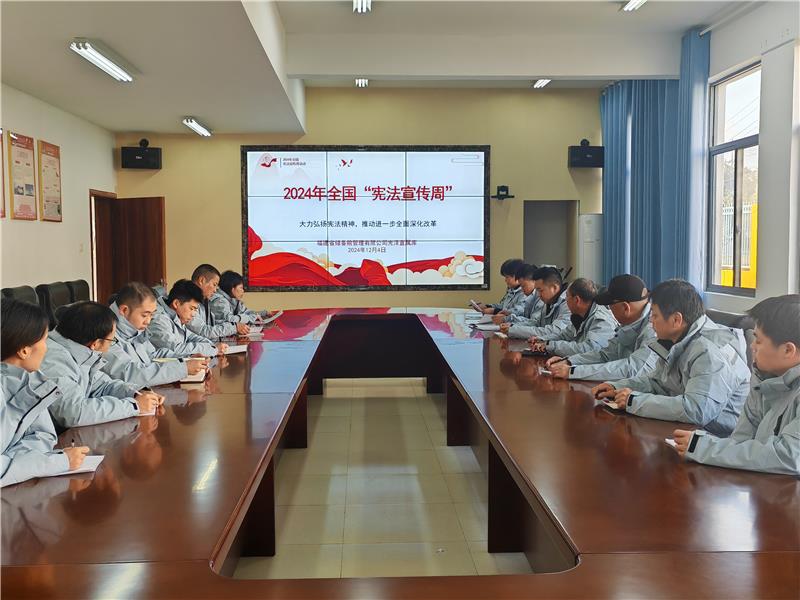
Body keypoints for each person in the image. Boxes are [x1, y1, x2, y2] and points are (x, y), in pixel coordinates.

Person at [594, 279, 750, 437]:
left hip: (720, 439)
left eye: (655, 315)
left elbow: (695, 410)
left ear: (676, 320)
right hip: (691, 432)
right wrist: (617, 387)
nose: (651, 321)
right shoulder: (677, 340)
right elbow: (657, 382)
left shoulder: (710, 352)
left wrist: (633, 400)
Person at [672, 295, 800, 475]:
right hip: (760, 485)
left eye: (758, 341)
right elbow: (739, 440)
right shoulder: (763, 380)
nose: (752, 346)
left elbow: (789, 456)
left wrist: (704, 447)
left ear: (788, 350)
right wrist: (706, 447)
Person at [1, 299, 89, 487]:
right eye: (44, 340)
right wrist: (56, 462)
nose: (47, 347)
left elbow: (43, 435)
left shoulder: (31, 380)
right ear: (24, 351)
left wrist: (24, 464)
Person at [38, 301, 164, 430]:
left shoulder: (78, 350)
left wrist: (136, 393)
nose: (110, 345)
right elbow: (73, 413)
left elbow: (102, 385)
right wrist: (134, 406)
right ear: (96, 343)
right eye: (112, 340)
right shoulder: (55, 361)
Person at [545, 274, 656, 380]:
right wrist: (569, 361)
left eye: (610, 305)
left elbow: (632, 369)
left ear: (625, 308)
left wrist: (573, 372)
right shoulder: (630, 323)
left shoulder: (654, 329)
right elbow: (606, 355)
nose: (609, 310)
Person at [103, 282, 208, 387]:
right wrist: (182, 368)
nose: (148, 321)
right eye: (144, 315)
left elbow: (153, 355)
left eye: (151, 315)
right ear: (124, 310)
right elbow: (131, 374)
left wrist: (186, 358)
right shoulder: (105, 334)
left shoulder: (134, 329)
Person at [529, 278, 617, 356]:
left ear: (577, 300)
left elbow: (588, 349)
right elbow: (565, 335)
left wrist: (551, 346)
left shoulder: (601, 320)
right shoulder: (580, 315)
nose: (565, 300)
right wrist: (543, 340)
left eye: (567, 296)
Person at [148, 280, 226, 357]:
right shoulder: (158, 319)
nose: (193, 314)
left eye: (195, 310)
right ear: (176, 303)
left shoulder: (175, 316)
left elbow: (190, 337)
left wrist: (212, 346)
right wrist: (211, 349)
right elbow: (175, 350)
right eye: (191, 308)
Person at [506, 267, 570, 340]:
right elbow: (536, 323)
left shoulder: (568, 304)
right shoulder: (549, 301)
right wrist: (512, 326)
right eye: (537, 291)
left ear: (554, 287)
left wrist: (514, 330)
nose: (539, 295)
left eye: (541, 290)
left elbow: (553, 331)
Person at [187, 264, 248, 339]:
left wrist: (233, 327)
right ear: (201, 280)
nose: (215, 290)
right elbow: (203, 332)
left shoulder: (203, 301)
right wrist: (234, 328)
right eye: (214, 284)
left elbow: (213, 325)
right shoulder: (188, 301)